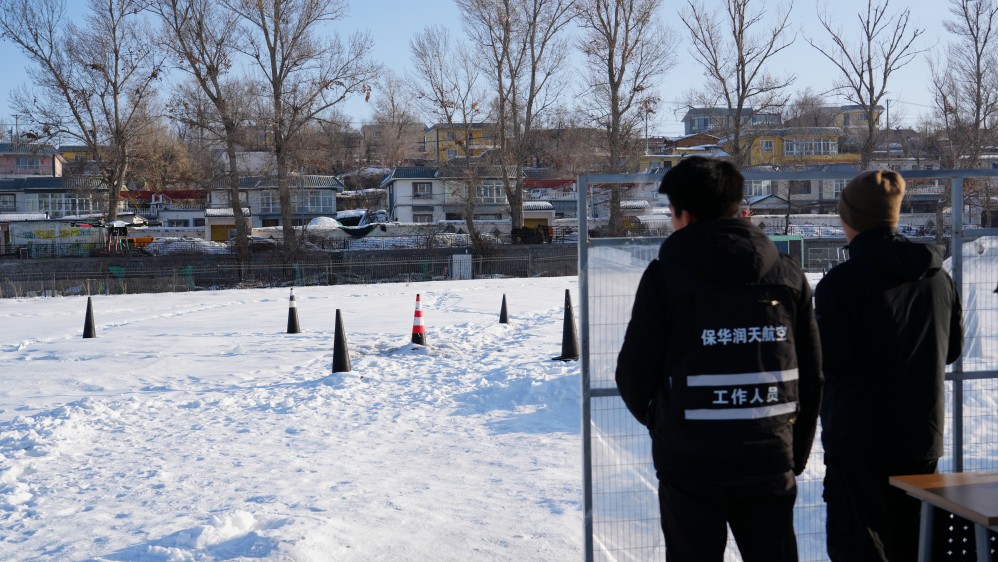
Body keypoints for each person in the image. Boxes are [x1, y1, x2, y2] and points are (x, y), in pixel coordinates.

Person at [615, 156, 823, 562]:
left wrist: (668, 422)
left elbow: (633, 374)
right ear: (738, 208)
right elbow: (812, 375)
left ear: (685, 216)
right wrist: (792, 452)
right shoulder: (787, 274)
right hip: (768, 455)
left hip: (690, 462)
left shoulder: (665, 277)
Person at [815, 170, 964, 561]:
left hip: (858, 442)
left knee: (860, 546)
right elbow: (951, 351)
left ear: (851, 220)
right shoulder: (937, 278)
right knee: (918, 543)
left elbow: (827, 362)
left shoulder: (840, 284)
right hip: (921, 436)